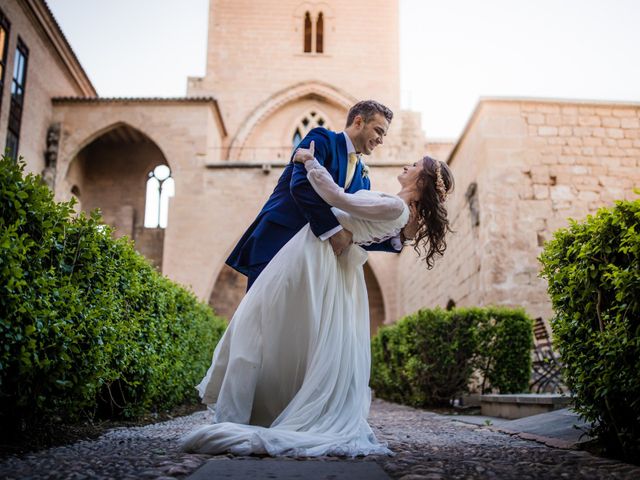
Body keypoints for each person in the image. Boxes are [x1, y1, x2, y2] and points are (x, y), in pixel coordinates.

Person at [180, 146, 455, 457]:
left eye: (415, 164)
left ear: (422, 181)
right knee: (275, 325)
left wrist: (310, 161)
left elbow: (339, 198)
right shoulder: (397, 209)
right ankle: (268, 406)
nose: (408, 164)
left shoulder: (395, 208)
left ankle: (264, 406)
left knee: (263, 321)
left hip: (315, 254)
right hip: (314, 251)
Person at [226, 100, 402, 291]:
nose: (381, 140)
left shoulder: (364, 178)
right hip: (282, 240)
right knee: (262, 316)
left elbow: (355, 228)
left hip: (318, 262)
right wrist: (335, 232)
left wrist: (396, 239)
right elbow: (301, 186)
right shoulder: (322, 139)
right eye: (378, 131)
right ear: (358, 122)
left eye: (384, 135)